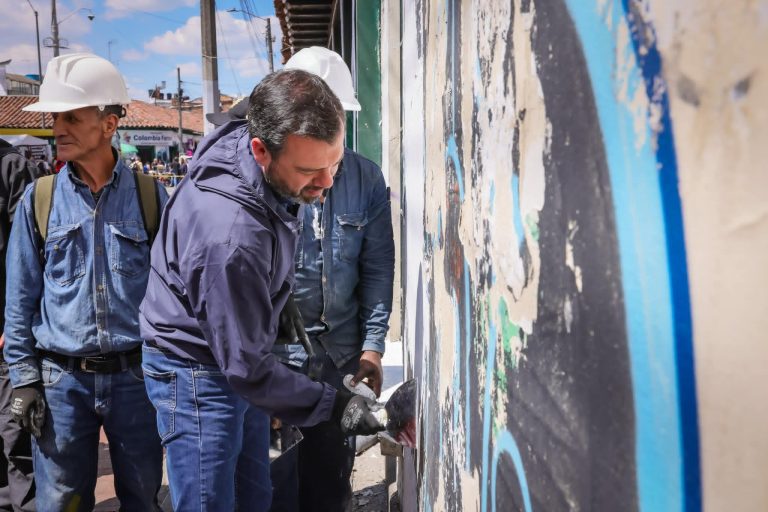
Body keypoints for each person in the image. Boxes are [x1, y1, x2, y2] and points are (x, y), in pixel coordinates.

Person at [139, 69, 385, 512]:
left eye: (334, 165)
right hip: (196, 372)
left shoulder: (260, 152)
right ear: (260, 151)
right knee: (210, 502)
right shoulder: (230, 238)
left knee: (255, 496)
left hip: (231, 358)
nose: (327, 183)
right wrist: (333, 406)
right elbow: (248, 367)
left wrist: (276, 293)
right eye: (311, 172)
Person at [3, 53, 168, 511]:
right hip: (61, 386)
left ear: (109, 124)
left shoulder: (151, 197)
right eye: (55, 117)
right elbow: (20, 301)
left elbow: (175, 294)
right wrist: (24, 381)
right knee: (61, 503)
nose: (57, 128)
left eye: (71, 117)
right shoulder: (40, 200)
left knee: (141, 496)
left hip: (137, 380)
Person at [274, 46, 394, 512]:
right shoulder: (269, 179)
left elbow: (378, 268)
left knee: (329, 484)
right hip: (275, 360)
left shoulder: (366, 179)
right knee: (271, 486)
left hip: (341, 360)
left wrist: (373, 347)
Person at [0, 138, 43, 511]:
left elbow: (28, 261)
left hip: (6, 340)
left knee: (17, 441)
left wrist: (15, 326)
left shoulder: (12, 167)